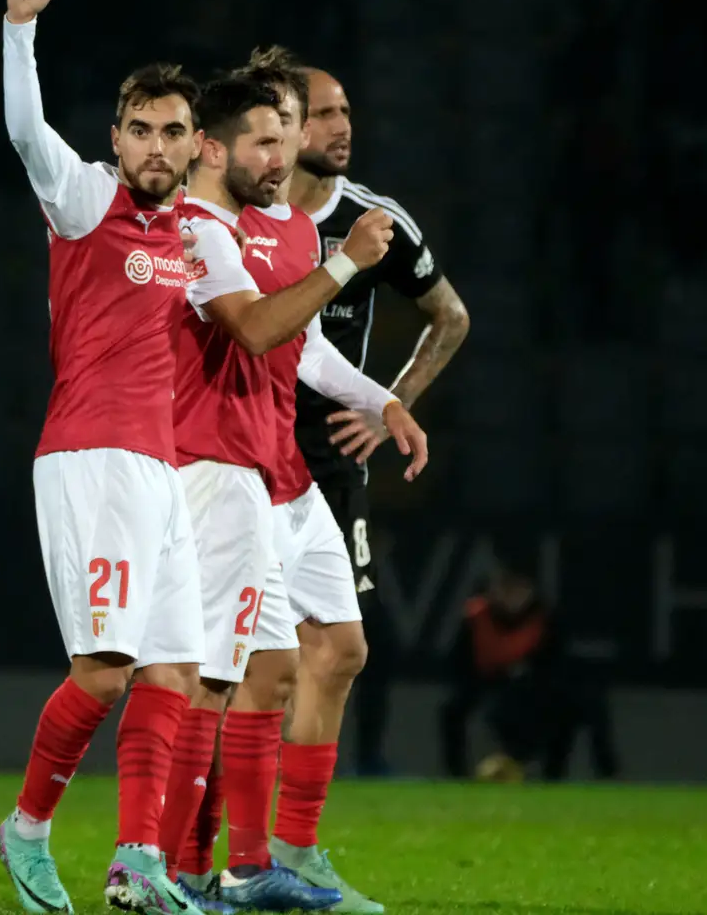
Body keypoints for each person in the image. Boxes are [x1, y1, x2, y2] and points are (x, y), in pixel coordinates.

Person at [158, 72, 416, 914]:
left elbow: (299, 351)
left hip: (290, 478)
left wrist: (382, 400)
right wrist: (348, 262)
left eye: (289, 135)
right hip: (222, 475)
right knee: (233, 676)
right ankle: (191, 865)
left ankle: (271, 858)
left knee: (336, 652)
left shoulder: (288, 230)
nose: (284, 154)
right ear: (214, 144)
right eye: (267, 139)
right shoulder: (195, 231)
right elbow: (257, 326)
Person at [0, 0, 210, 915]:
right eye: (139, 129)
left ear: (194, 144)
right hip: (92, 459)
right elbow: (25, 134)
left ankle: (136, 863)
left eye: (172, 132)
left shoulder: (194, 234)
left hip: (159, 470)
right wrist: (17, 31)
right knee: (106, 671)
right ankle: (27, 829)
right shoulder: (84, 199)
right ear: (116, 136)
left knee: (172, 670)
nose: (154, 147)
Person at [284, 57, 471, 777]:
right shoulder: (245, 215)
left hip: (329, 453)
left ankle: (280, 843)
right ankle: (221, 836)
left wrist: (387, 402)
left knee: (334, 646)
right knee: (251, 650)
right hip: (243, 442)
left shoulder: (372, 219)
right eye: (325, 114)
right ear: (285, 123)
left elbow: (449, 317)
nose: (342, 128)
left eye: (347, 113)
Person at [439, 568, 619, 783]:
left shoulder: (544, 620)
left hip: (531, 686)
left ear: (531, 591)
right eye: (504, 588)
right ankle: (456, 775)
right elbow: (459, 661)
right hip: (484, 681)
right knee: (451, 710)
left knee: (575, 706)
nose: (511, 595)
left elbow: (555, 665)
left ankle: (578, 776)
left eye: (518, 589)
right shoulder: (475, 617)